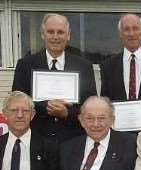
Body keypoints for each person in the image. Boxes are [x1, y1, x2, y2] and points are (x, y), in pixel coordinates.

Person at [12, 13, 97, 143]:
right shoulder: (25, 65)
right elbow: (18, 103)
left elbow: (91, 107)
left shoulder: (84, 66)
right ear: (42, 34)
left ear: (68, 36)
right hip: (36, 139)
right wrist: (46, 107)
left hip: (73, 140)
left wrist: (67, 113)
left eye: (60, 32)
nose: (55, 37)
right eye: (50, 32)